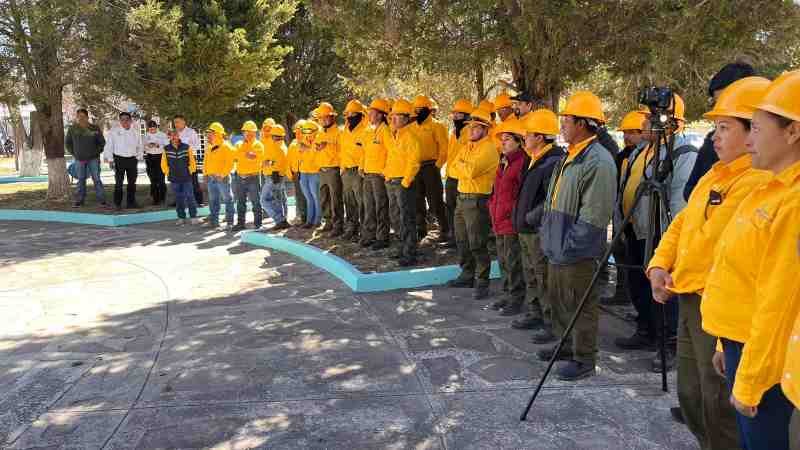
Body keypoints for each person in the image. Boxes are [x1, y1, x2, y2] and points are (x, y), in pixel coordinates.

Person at [646, 76, 772, 450]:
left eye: (724, 127)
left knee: (718, 405)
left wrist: (722, 339)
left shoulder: (758, 183)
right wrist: (658, 264)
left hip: (716, 307)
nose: (714, 137)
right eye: (714, 127)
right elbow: (683, 223)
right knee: (692, 396)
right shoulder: (715, 174)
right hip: (687, 296)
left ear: (753, 132)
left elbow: (735, 258)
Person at [701, 72, 800, 450]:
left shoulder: (792, 202)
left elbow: (779, 302)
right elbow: (740, 275)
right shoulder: (768, 189)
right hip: (742, 344)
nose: (750, 139)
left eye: (756, 128)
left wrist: (751, 380)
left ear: (791, 132)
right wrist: (726, 346)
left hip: (768, 363)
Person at [614, 95, 698, 373]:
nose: (644, 122)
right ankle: (646, 329)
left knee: (662, 288)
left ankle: (669, 343)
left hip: (660, 232)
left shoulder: (683, 152)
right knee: (638, 281)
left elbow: (680, 199)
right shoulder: (642, 150)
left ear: (671, 123)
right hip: (636, 228)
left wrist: (672, 242)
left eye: (650, 118)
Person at [537, 91, 617, 381]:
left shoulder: (599, 161)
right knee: (560, 300)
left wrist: (571, 246)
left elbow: (594, 216)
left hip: (576, 251)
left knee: (581, 304)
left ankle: (584, 359)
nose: (562, 126)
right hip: (558, 245)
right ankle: (566, 346)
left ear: (583, 123)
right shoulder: (570, 154)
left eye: (567, 120)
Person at [507, 109, 564, 340]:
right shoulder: (535, 159)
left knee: (543, 276)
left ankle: (551, 322)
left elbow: (551, 200)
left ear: (540, 137)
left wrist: (531, 218)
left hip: (538, 231)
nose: (524, 140)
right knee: (531, 274)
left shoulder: (552, 161)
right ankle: (535, 312)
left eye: (527, 135)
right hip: (526, 230)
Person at [446, 107, 500, 299]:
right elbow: (452, 169)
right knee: (462, 240)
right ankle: (467, 274)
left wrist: (462, 166)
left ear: (486, 129)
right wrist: (463, 166)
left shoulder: (489, 149)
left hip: (477, 200)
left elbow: (469, 171)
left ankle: (482, 281)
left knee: (477, 242)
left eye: (476, 127)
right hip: (462, 198)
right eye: (470, 127)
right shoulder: (467, 146)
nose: (471, 130)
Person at [684, 62, 755, 200]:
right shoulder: (712, 141)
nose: (722, 108)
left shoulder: (770, 168)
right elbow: (690, 190)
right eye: (718, 102)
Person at [487, 119, 527, 316]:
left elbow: (521, 194)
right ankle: (507, 293)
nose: (503, 143)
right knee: (503, 260)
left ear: (519, 141)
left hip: (510, 222)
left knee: (513, 262)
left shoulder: (521, 163)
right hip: (498, 219)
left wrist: (511, 213)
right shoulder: (503, 162)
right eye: (502, 139)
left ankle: (517, 298)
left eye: (508, 139)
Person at [384, 99, 423, 267]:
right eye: (392, 116)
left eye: (397, 116)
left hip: (403, 183)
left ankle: (410, 253)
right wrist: (386, 175)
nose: (393, 119)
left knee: (406, 218)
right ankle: (401, 249)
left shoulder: (411, 137)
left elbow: (414, 162)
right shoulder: (394, 135)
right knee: (395, 218)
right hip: (391, 181)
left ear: (407, 118)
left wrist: (406, 182)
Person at [412, 94, 449, 242]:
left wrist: (437, 166)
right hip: (415, 168)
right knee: (417, 200)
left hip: (430, 167)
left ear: (428, 110)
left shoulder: (437, 126)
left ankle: (445, 229)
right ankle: (421, 230)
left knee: (435, 201)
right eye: (416, 109)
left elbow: (444, 149)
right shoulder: (411, 127)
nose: (418, 111)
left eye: (421, 109)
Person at [359, 98, 392, 249]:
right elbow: (365, 151)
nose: (369, 115)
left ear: (380, 115)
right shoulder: (371, 130)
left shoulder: (386, 131)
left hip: (379, 176)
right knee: (369, 206)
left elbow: (392, 153)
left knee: (381, 206)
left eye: (372, 112)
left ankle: (382, 237)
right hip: (367, 174)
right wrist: (362, 166)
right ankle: (369, 235)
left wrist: (385, 172)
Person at [443, 99, 474, 248]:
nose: (455, 116)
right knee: (450, 207)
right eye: (454, 113)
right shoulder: (453, 132)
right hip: (451, 176)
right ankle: (454, 236)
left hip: (463, 178)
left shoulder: (470, 133)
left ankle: (465, 238)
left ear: (467, 116)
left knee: (463, 211)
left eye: (459, 114)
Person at [340, 100, 369, 241]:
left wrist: (362, 168)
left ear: (360, 114)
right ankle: (352, 227)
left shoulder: (366, 129)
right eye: (348, 114)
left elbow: (366, 151)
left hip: (359, 171)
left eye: (353, 113)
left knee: (361, 201)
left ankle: (364, 230)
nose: (350, 116)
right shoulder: (345, 129)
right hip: (346, 171)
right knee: (348, 200)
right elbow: (343, 149)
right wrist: (342, 167)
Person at [314, 102, 344, 236]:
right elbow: (316, 151)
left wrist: (328, 145)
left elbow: (342, 152)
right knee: (324, 198)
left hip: (334, 170)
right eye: (321, 118)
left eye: (326, 117)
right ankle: (328, 222)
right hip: (322, 170)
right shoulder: (319, 133)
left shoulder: (339, 132)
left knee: (335, 199)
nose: (323, 120)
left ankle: (338, 226)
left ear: (332, 117)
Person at [66, 108, 106, 208]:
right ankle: (80, 200)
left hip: (94, 159)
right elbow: (68, 143)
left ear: (87, 117)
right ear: (77, 117)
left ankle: (101, 200)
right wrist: (75, 153)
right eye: (79, 116)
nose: (81, 118)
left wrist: (96, 153)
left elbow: (102, 143)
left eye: (83, 116)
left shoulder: (95, 128)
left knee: (96, 179)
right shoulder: (72, 129)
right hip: (79, 159)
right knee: (81, 179)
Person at [103, 112, 143, 210]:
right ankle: (117, 204)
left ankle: (131, 203)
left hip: (132, 160)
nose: (125, 121)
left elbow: (140, 146)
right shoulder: (114, 132)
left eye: (127, 119)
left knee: (132, 183)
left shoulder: (135, 132)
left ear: (130, 120)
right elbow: (109, 146)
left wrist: (138, 157)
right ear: (120, 121)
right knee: (119, 183)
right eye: (122, 119)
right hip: (119, 159)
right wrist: (110, 160)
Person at [161, 128, 199, 225]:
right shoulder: (166, 149)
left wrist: (190, 171)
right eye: (172, 135)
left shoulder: (186, 147)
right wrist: (168, 173)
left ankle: (193, 217)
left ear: (179, 136)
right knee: (178, 198)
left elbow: (192, 162)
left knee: (190, 197)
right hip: (174, 178)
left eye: (176, 135)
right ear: (169, 137)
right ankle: (181, 217)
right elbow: (163, 164)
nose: (174, 137)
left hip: (186, 177)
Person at [232, 120, 265, 231]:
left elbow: (253, 157)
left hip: (253, 177)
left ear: (254, 132)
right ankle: (240, 223)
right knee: (240, 202)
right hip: (240, 177)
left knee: (256, 202)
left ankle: (258, 224)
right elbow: (235, 157)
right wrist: (246, 154)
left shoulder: (258, 145)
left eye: (250, 131)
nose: (247, 133)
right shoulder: (238, 144)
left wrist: (244, 154)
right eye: (245, 131)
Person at [203, 122, 235, 229]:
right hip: (212, 178)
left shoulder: (226, 146)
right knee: (213, 201)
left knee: (228, 200)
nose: (209, 135)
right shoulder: (210, 146)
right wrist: (205, 174)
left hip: (222, 178)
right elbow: (206, 161)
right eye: (209, 133)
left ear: (218, 133)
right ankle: (214, 222)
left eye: (211, 132)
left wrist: (222, 175)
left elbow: (230, 163)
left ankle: (230, 222)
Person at [260, 124, 290, 231]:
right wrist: (267, 162)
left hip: (273, 176)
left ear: (275, 136)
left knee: (263, 200)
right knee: (276, 200)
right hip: (275, 176)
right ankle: (281, 221)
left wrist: (268, 162)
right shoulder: (280, 146)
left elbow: (275, 162)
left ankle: (280, 220)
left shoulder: (279, 148)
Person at [173, 115, 204, 205]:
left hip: (189, 159)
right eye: (175, 122)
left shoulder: (191, 132)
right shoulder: (174, 133)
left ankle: (199, 201)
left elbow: (198, 145)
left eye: (178, 122)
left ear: (184, 122)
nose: (176, 124)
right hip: (177, 160)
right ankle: (179, 201)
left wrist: (187, 150)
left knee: (193, 181)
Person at [297, 120, 322, 229]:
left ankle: (317, 220)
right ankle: (309, 221)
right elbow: (300, 152)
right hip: (303, 172)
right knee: (308, 197)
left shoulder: (319, 139)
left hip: (314, 173)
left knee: (316, 197)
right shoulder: (303, 140)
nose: (306, 133)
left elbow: (316, 153)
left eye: (308, 130)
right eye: (305, 130)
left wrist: (307, 148)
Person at [286, 121, 307, 225]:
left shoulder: (308, 143)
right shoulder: (293, 144)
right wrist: (290, 173)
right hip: (296, 174)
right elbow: (288, 160)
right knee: (299, 197)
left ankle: (308, 218)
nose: (298, 134)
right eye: (296, 132)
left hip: (306, 173)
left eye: (300, 132)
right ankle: (302, 217)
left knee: (308, 197)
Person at [143, 120, 168, 206]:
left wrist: (158, 145)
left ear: (156, 127)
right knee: (152, 179)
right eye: (150, 129)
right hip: (150, 158)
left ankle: (162, 197)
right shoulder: (146, 136)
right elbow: (143, 146)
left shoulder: (162, 135)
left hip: (160, 157)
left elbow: (167, 145)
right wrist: (147, 146)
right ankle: (155, 198)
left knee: (161, 179)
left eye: (153, 128)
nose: (152, 130)